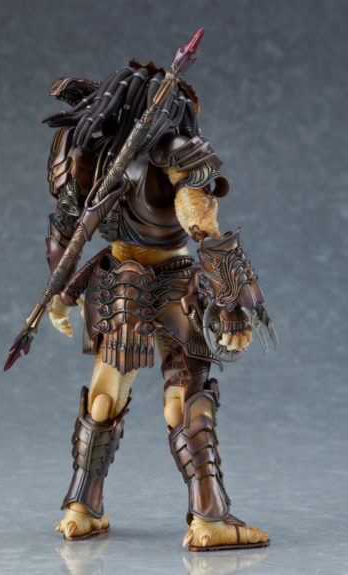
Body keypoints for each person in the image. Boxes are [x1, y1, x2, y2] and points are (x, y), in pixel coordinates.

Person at [43, 61, 274, 551]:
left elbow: (64, 228)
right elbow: (203, 228)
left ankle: (80, 509)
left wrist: (59, 291)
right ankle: (210, 519)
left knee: (105, 396)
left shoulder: (88, 150)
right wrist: (233, 305)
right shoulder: (178, 152)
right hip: (175, 285)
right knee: (186, 400)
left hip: (117, 283)